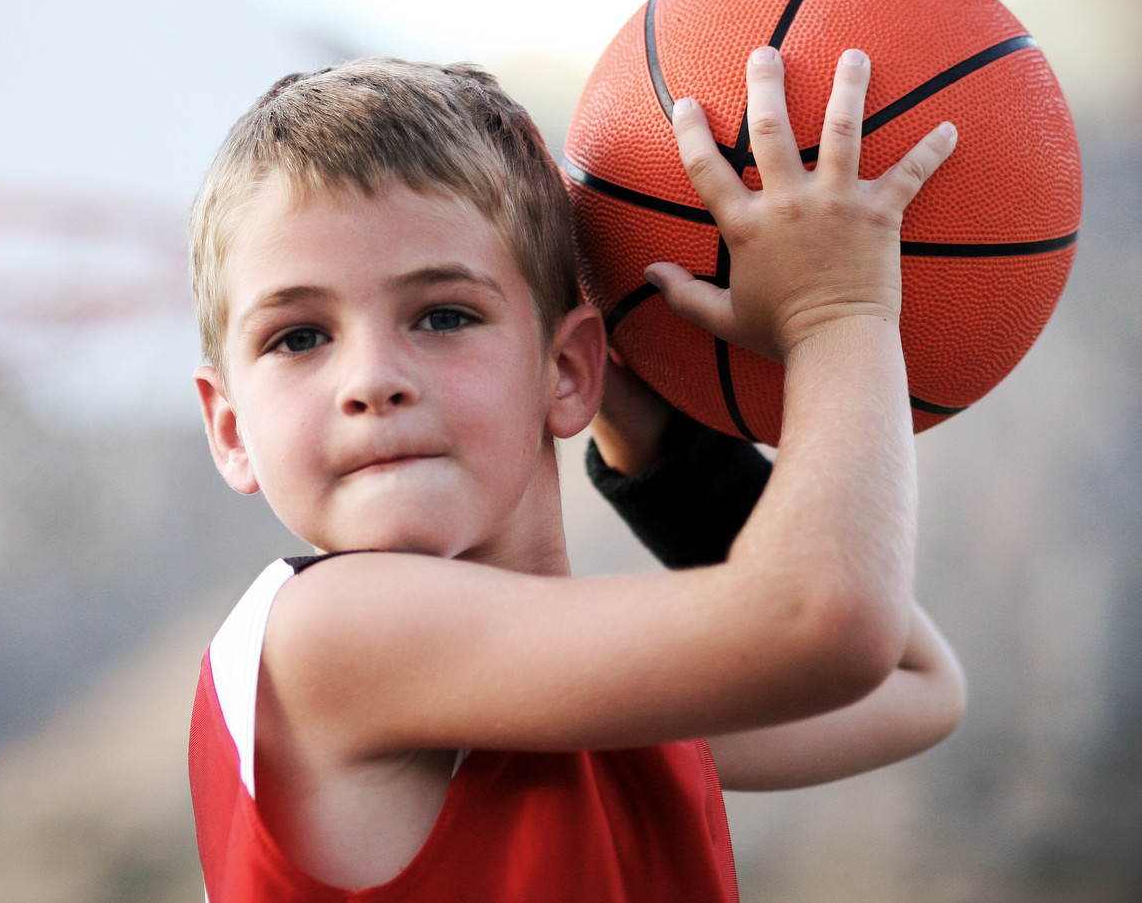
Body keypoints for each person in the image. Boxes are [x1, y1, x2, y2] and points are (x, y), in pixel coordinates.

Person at [186, 51, 967, 900]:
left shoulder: (597, 697)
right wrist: (837, 311)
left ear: (566, 371)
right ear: (230, 428)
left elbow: (910, 684)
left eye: (444, 315)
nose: (371, 378)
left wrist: (664, 445)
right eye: (298, 337)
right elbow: (832, 626)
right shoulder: (328, 638)